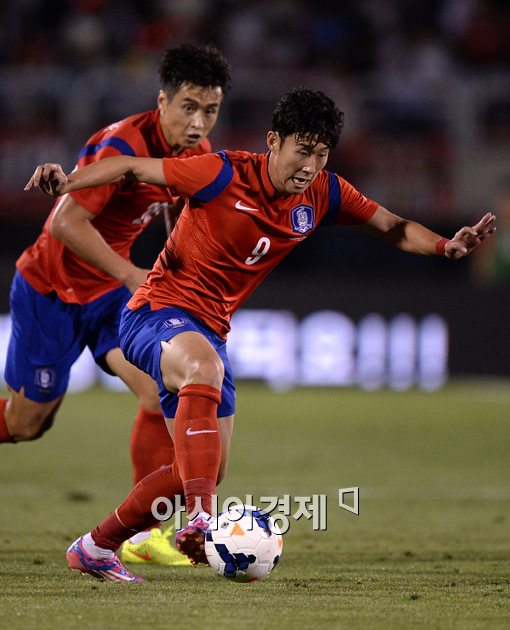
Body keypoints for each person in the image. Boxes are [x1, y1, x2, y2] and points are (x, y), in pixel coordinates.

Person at [26, 87, 496, 583]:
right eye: (302, 150)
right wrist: (68, 183)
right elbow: (133, 168)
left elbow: (392, 226)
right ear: (274, 140)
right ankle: (203, 520)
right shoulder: (222, 173)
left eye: (320, 154)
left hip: (210, 331)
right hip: (154, 312)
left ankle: (95, 546)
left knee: (199, 470)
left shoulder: (324, 193)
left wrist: (445, 245)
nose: (310, 165)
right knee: (203, 379)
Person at [2, 43, 231, 567]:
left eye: (210, 111)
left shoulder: (196, 154)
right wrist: (131, 273)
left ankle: (138, 534)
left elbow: (183, 216)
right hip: (50, 289)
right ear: (162, 102)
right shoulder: (120, 144)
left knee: (157, 392)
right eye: (188, 108)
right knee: (26, 424)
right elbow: (64, 222)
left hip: (108, 298)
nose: (198, 123)